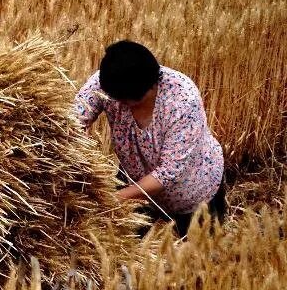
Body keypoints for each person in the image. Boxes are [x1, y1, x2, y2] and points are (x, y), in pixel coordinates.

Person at [73, 40, 226, 237]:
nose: (121, 106)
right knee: (125, 250)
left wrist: (113, 198)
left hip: (191, 191)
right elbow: (73, 120)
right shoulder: (108, 81)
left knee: (199, 259)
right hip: (133, 178)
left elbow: (169, 173)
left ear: (152, 85)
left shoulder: (182, 100)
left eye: (128, 101)